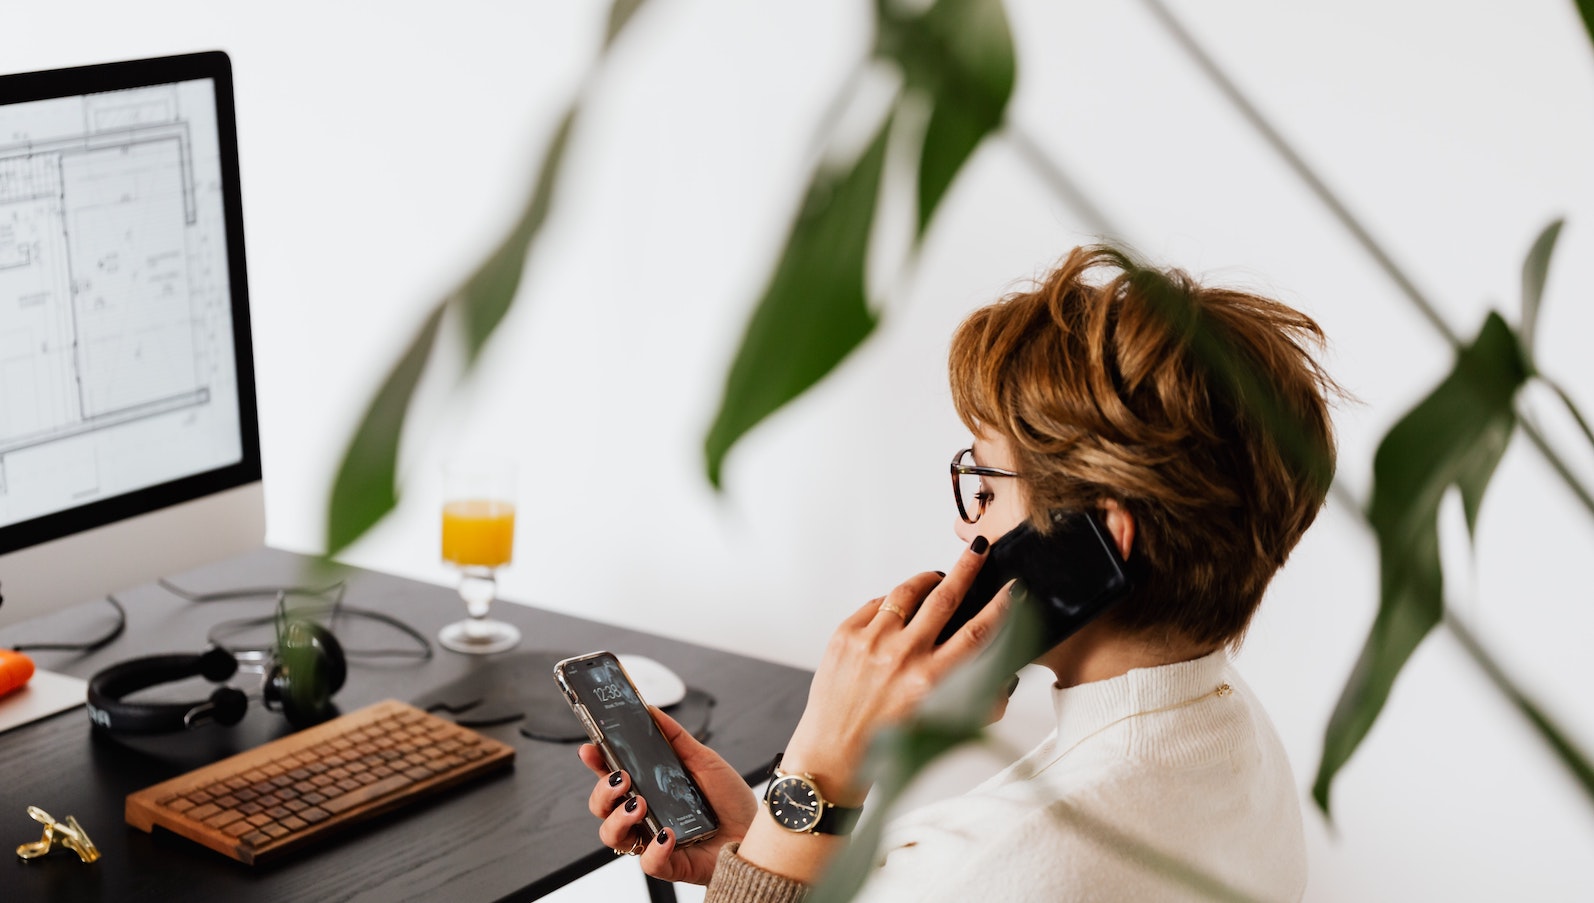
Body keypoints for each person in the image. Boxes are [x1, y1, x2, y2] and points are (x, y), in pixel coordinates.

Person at [579, 245, 1337, 901]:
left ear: (1098, 537)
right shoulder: (1233, 733)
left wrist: (818, 763)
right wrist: (771, 839)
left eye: (985, 486)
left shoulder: (1006, 859)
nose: (964, 523)